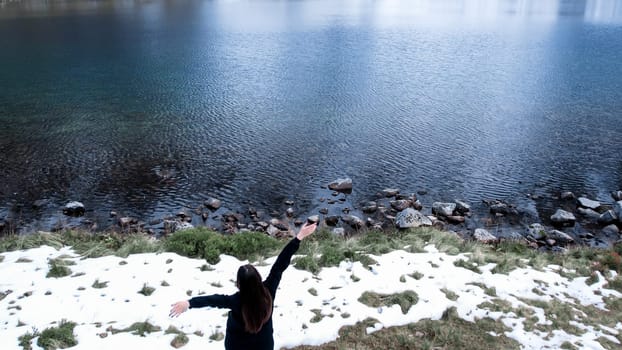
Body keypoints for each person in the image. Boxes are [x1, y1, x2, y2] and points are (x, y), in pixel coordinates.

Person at [169, 222, 318, 350]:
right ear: (258, 279)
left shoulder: (235, 301)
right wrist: (299, 237)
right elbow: (280, 264)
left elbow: (212, 300)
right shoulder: (269, 290)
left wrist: (189, 303)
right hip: (264, 345)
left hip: (237, 345)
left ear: (239, 284)